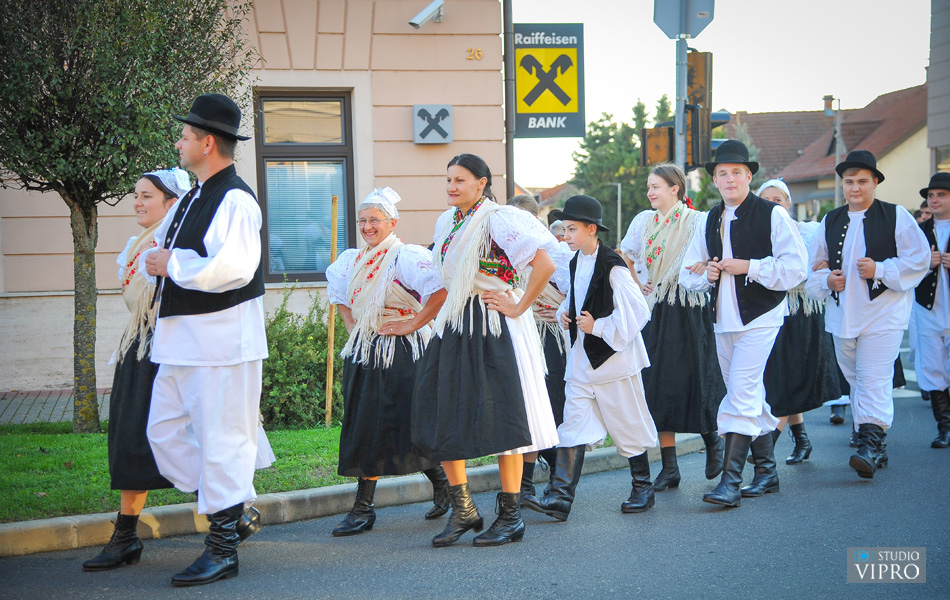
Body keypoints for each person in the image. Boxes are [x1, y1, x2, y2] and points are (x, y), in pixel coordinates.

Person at [143, 93, 268, 586]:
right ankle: (232, 509)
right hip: (181, 340)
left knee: (223, 443)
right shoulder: (194, 196)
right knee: (163, 433)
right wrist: (159, 260)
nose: (179, 143)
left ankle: (222, 547)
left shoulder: (234, 199)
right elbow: (170, 254)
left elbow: (234, 267)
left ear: (208, 143)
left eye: (185, 136)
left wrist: (171, 262)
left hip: (221, 342)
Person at [411, 154, 560, 547]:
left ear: (481, 183)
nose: (451, 186)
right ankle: (463, 509)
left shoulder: (499, 218)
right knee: (441, 410)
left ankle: (511, 516)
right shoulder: (447, 221)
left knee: (503, 416)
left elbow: (544, 264)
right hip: (455, 322)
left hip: (493, 323)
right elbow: (444, 280)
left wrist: (519, 305)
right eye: (448, 180)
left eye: (460, 180)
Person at [679, 140, 808, 507]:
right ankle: (767, 471)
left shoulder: (772, 214)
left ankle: (730, 482)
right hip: (723, 320)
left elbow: (796, 268)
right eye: (723, 174)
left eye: (736, 172)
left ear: (749, 176)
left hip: (761, 317)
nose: (730, 179)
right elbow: (688, 273)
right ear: (715, 181)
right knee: (748, 394)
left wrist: (749, 266)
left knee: (739, 392)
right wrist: (708, 273)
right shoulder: (708, 219)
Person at [522, 195, 659, 521]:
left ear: (591, 229)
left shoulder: (613, 267)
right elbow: (575, 297)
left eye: (572, 229)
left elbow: (638, 311)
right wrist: (564, 311)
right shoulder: (575, 261)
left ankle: (643, 487)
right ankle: (560, 497)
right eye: (564, 228)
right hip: (582, 360)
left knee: (627, 422)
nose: (565, 235)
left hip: (614, 361)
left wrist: (597, 326)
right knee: (573, 425)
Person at [325, 187, 450, 536]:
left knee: (410, 423)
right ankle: (363, 508)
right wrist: (352, 325)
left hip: (404, 353)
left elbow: (440, 291)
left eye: (375, 220)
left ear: (392, 223)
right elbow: (340, 296)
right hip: (366, 352)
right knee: (365, 425)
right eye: (362, 220)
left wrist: (412, 324)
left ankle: (442, 483)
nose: (367, 226)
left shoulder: (405, 258)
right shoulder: (351, 260)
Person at [81, 169, 186, 571]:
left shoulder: (180, 244)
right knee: (130, 437)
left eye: (147, 196)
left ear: (171, 203)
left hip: (177, 349)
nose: (138, 203)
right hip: (140, 345)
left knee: (194, 435)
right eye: (136, 195)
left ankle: (230, 516)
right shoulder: (136, 245)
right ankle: (125, 536)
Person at [805, 150, 930, 479]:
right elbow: (811, 268)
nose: (855, 187)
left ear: (875, 182)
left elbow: (919, 260)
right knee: (856, 381)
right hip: (842, 315)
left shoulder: (896, 216)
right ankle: (877, 444)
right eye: (849, 182)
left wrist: (881, 270)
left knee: (874, 378)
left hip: (883, 313)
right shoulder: (830, 220)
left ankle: (869, 446)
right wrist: (827, 280)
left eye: (862, 181)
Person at [619, 164, 725, 490]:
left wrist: (705, 264)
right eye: (649, 187)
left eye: (656, 187)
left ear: (674, 189)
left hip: (689, 307)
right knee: (657, 385)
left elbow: (717, 255)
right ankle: (670, 467)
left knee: (696, 377)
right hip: (657, 308)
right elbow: (625, 255)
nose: (650, 192)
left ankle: (713, 443)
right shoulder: (643, 221)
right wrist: (638, 285)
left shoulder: (697, 220)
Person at [756, 180, 841, 464]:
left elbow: (827, 259)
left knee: (789, 377)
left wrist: (826, 265)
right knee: (782, 378)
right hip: (771, 311)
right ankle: (802, 440)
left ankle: (768, 446)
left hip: (802, 311)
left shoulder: (808, 230)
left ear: (788, 203)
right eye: (765, 200)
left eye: (777, 200)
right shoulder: (757, 234)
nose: (772, 205)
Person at [507, 194, 572, 501]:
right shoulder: (507, 252)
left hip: (551, 337)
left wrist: (561, 310)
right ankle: (525, 483)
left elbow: (579, 291)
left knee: (552, 404)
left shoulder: (558, 251)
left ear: (533, 220)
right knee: (526, 406)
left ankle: (559, 475)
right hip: (521, 333)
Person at [912, 172, 950, 447]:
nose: (934, 200)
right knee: (933, 370)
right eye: (931, 195)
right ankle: (944, 428)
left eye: (941, 195)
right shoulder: (918, 231)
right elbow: (904, 268)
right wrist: (926, 265)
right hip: (928, 310)